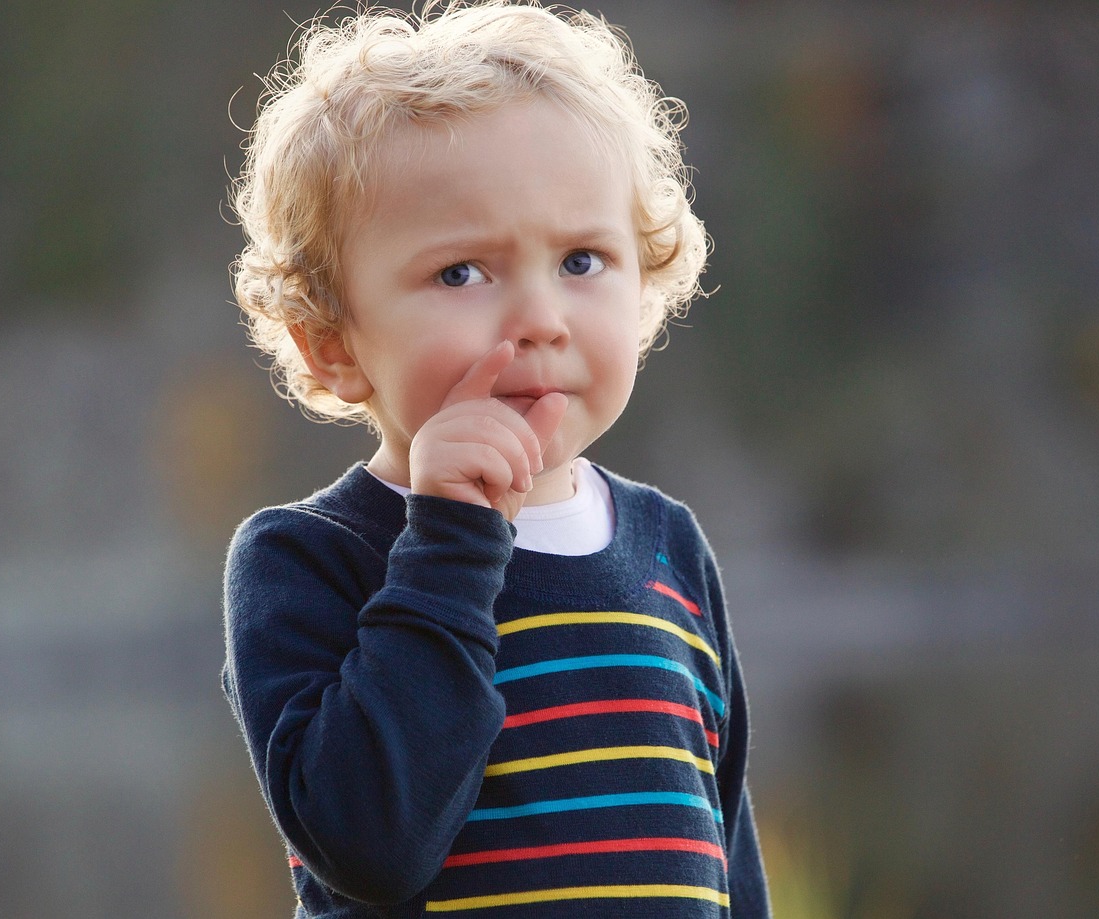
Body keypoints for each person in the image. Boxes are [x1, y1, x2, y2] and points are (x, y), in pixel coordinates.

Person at [221, 2, 771, 915]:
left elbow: (726, 855)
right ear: (331, 343)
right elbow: (371, 846)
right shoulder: (306, 560)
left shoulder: (667, 544)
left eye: (584, 260)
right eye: (462, 273)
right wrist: (450, 540)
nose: (541, 320)